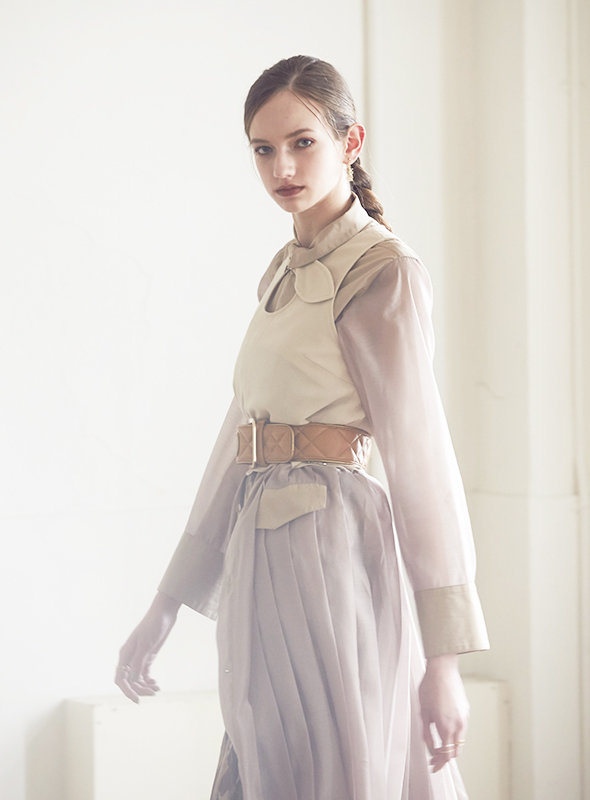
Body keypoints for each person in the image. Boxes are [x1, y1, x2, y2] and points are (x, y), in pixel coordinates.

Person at [115, 55, 489, 800]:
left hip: (335, 554)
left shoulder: (383, 270)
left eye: (302, 143)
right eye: (263, 149)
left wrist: (443, 662)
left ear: (351, 142)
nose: (281, 167)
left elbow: (421, 463)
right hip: (261, 554)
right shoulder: (284, 270)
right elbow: (239, 438)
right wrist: (165, 605)